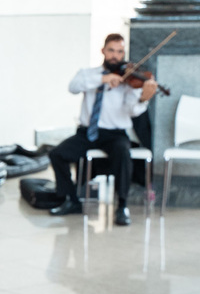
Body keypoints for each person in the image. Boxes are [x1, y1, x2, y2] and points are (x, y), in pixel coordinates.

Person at [48, 33, 159, 226]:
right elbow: (73, 87)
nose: (115, 55)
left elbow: (131, 111)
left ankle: (122, 206)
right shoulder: (88, 74)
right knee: (57, 154)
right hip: (87, 133)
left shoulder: (129, 81)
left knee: (124, 153)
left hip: (115, 134)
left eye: (120, 51)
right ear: (103, 51)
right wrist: (104, 79)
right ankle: (71, 200)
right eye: (112, 50)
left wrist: (143, 99)